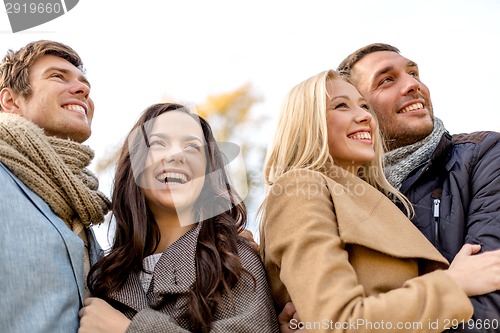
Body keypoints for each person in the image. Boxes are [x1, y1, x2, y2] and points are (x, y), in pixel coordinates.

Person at [260, 69, 500, 333]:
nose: (365, 116)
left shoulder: (371, 198)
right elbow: (338, 322)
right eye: (341, 106)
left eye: (365, 106)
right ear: (306, 122)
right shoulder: (300, 187)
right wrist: (454, 284)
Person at [337, 43, 500, 330]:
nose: (413, 85)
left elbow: (489, 300)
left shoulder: (483, 155)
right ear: (359, 110)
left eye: (413, 73)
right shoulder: (340, 198)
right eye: (386, 80)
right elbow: (336, 315)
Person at [78, 103, 279, 332]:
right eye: (158, 143)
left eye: (192, 147)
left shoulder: (234, 261)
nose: (176, 156)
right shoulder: (103, 275)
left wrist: (130, 329)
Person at [0, 40, 111, 333]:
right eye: (57, 77)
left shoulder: (80, 207)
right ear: (10, 102)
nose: (82, 89)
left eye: (84, 83)